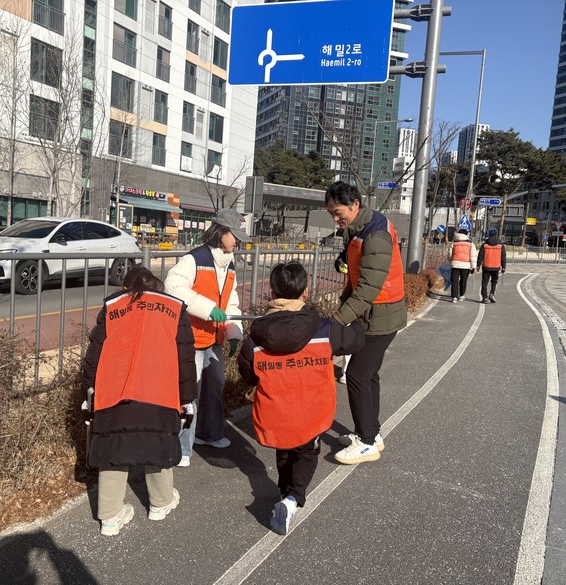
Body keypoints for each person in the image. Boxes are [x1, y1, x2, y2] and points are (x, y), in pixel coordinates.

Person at [236, 261, 365, 535]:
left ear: (272, 294)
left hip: (275, 412)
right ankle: (292, 498)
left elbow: (249, 375)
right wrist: (359, 322)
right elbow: (355, 341)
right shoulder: (325, 329)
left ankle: (285, 493)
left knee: (285, 448)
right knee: (307, 451)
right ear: (305, 292)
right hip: (313, 411)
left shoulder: (255, 339)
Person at [82, 267, 198, 536]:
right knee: (157, 442)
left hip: (114, 390)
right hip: (159, 389)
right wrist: (186, 398)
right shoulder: (174, 307)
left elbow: (94, 356)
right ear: (156, 287)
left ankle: (110, 516)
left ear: (126, 287)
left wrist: (87, 394)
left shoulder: (113, 306)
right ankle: (160, 502)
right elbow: (185, 359)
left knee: (113, 448)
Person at [325, 181, 407, 465]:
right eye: (331, 214)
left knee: (358, 376)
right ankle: (371, 432)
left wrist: (338, 320)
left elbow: (369, 288)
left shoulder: (375, 234)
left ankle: (366, 442)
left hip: (379, 316)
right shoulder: (361, 227)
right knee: (368, 374)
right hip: (375, 314)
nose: (335, 219)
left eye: (337, 212)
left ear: (355, 204)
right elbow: (359, 270)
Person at [165, 208, 251, 467]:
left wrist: (234, 332)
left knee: (214, 386)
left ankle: (209, 433)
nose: (237, 242)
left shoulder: (229, 263)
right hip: (191, 338)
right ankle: (182, 447)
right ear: (220, 232)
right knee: (190, 392)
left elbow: (231, 301)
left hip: (214, 338)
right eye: (234, 236)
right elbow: (173, 286)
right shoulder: (194, 258)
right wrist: (207, 309)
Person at [477, 227, 507, 304]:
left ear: (489, 235)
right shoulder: (501, 245)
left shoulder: (485, 244)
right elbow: (503, 257)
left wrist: (478, 265)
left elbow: (480, 256)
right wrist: (503, 267)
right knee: (494, 281)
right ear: (496, 235)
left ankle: (485, 297)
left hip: (486, 266)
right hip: (496, 266)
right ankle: (492, 294)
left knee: (484, 282)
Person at [448, 228, 478, 302]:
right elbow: (473, 256)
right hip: (466, 265)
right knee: (463, 280)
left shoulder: (454, 243)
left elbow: (449, 254)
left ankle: (454, 297)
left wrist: (451, 261)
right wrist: (473, 267)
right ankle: (461, 295)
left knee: (454, 281)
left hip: (455, 264)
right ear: (466, 235)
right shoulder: (470, 244)